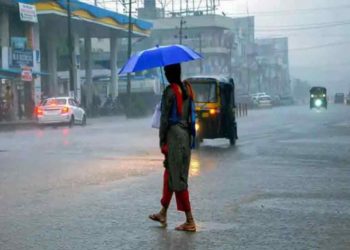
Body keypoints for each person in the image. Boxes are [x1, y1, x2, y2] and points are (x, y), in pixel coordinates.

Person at [149, 63, 197, 232]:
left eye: (165, 71)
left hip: (174, 138)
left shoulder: (169, 92)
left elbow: (164, 120)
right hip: (186, 136)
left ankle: (190, 220)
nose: (165, 73)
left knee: (178, 180)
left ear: (169, 74)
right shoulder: (187, 89)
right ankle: (163, 212)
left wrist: (162, 141)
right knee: (171, 174)